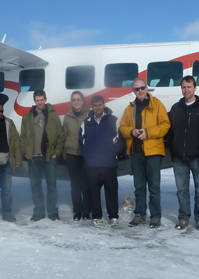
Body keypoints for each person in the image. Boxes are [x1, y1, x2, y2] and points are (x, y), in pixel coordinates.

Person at [120, 78, 171, 228]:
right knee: (139, 187)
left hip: (153, 152)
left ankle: (155, 217)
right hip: (136, 152)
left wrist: (148, 133)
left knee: (154, 187)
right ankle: (140, 215)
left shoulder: (157, 105)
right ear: (133, 91)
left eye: (142, 88)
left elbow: (165, 125)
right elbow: (122, 127)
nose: (140, 91)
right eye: (137, 89)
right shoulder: (130, 108)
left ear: (146, 88)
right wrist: (131, 131)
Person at [168, 76, 199, 231]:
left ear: (195, 88)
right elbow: (171, 134)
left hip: (198, 157)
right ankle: (184, 218)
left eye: (189, 87)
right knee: (182, 190)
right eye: (184, 87)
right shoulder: (176, 108)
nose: (186, 90)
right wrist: (172, 155)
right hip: (179, 157)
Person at [79, 95, 125, 226]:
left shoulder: (113, 120)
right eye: (95, 105)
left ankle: (113, 216)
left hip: (109, 163)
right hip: (92, 165)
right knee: (94, 191)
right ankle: (97, 216)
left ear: (103, 105)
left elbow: (121, 139)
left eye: (100, 105)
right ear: (91, 107)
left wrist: (112, 152)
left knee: (111, 191)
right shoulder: (86, 122)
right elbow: (81, 142)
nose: (97, 107)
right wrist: (88, 157)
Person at [20, 90, 65, 222]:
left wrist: (56, 152)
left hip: (49, 156)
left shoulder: (53, 116)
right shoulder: (27, 117)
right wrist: (25, 153)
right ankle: (39, 212)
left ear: (45, 99)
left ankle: (52, 212)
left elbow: (61, 135)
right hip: (33, 157)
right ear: (34, 101)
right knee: (35, 185)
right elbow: (23, 137)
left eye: (41, 100)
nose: (39, 102)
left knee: (52, 185)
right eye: (37, 100)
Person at [63, 91, 91, 221]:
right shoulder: (67, 116)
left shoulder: (89, 114)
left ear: (83, 101)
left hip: (86, 154)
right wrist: (65, 152)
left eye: (78, 99)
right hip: (72, 154)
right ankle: (77, 211)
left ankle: (86, 211)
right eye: (74, 100)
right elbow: (64, 135)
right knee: (75, 185)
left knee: (86, 184)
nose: (76, 102)